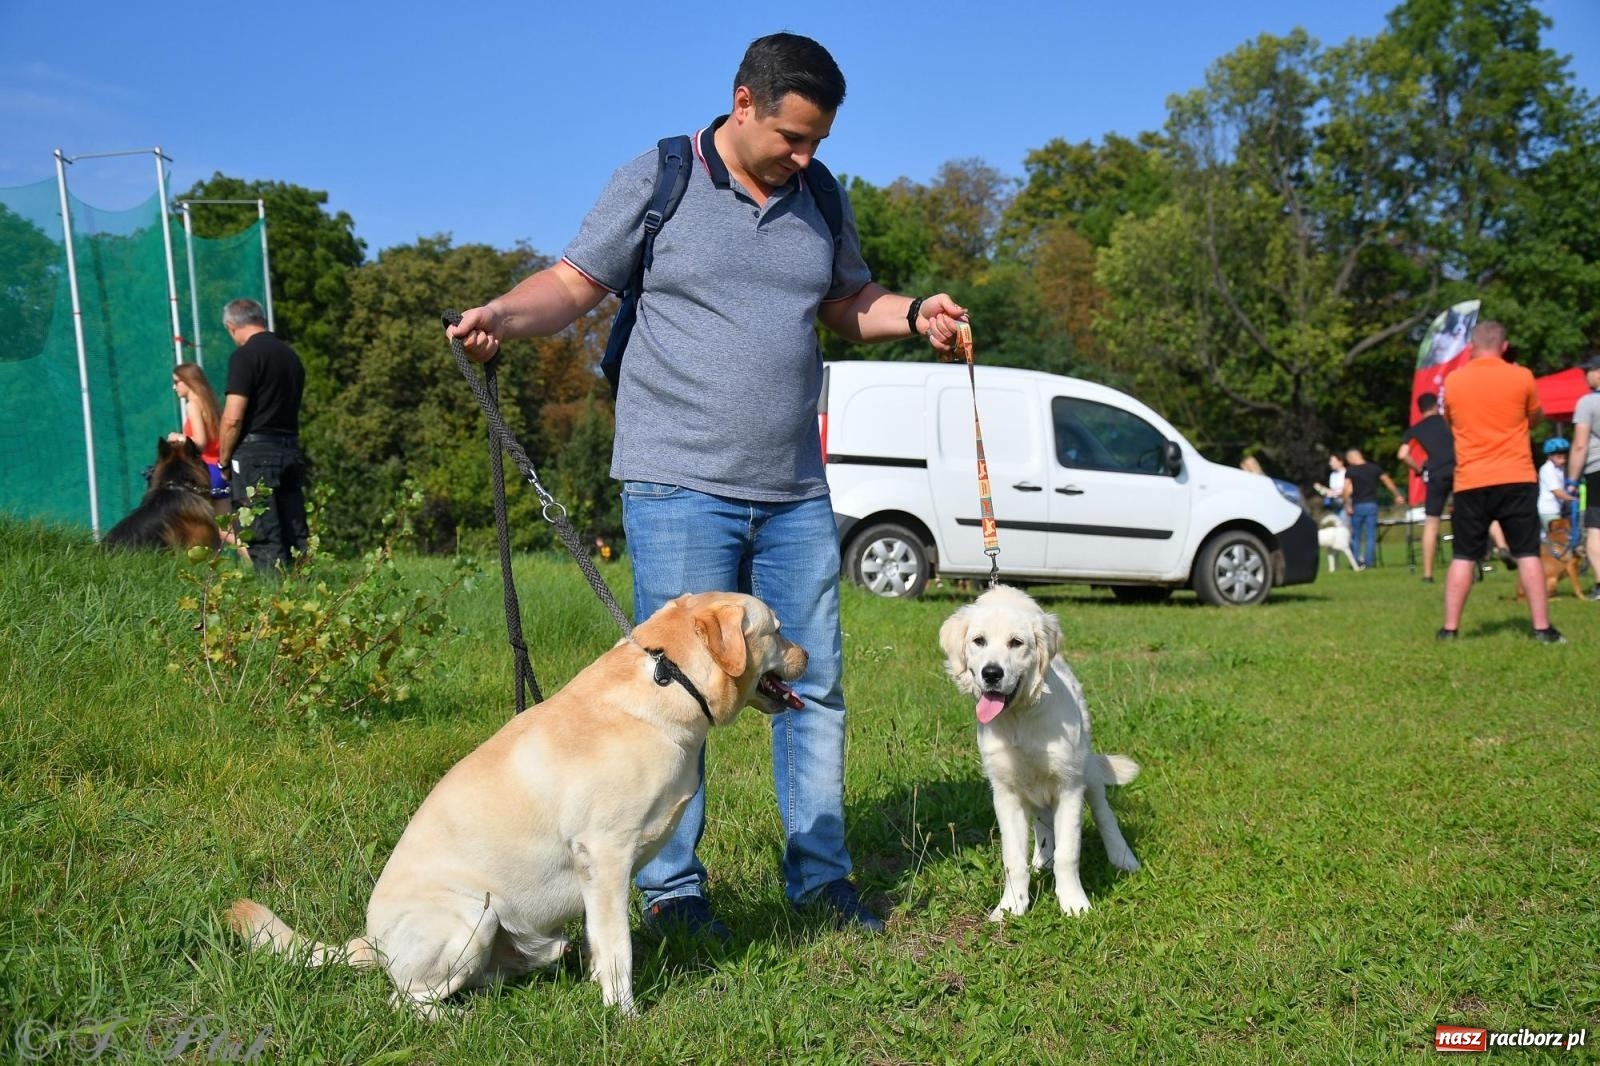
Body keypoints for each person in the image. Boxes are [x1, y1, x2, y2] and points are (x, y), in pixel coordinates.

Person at [448, 33, 968, 939]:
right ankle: (675, 893)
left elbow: (848, 301)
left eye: (819, 143)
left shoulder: (820, 195)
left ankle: (820, 879)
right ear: (742, 104)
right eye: (793, 138)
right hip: (679, 483)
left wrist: (914, 313)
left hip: (795, 488)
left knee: (812, 683)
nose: (805, 158)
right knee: (676, 698)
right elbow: (573, 288)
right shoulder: (659, 178)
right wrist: (499, 315)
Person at [1438, 321, 1564, 642]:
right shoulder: (1521, 376)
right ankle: (1541, 628)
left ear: (1471, 346)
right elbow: (1535, 417)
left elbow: (1450, 420)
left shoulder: (1454, 381)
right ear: (1504, 346)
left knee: (1464, 555)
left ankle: (1450, 629)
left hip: (1471, 479)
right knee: (1527, 553)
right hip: (1516, 475)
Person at [216, 298, 309, 574]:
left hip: (256, 456)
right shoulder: (291, 357)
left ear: (232, 327)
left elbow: (233, 418)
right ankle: (306, 598)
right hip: (290, 452)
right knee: (296, 534)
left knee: (263, 535)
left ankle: (274, 603)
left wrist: (223, 461)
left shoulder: (245, 356)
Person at [169, 363, 250, 561]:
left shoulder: (193, 405)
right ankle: (242, 562)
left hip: (206, 473)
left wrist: (178, 438)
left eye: (176, 382)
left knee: (214, 528)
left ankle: (248, 557)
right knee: (226, 526)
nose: (174, 387)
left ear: (189, 382)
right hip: (219, 471)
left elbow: (200, 442)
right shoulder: (210, 403)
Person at [1397, 393, 1455, 582]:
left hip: (1436, 474)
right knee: (1468, 516)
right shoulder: (1449, 422)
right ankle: (1470, 565)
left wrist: (1419, 469)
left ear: (1420, 409)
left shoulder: (1415, 429)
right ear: (1436, 405)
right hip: (1460, 470)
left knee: (1431, 523)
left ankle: (1428, 574)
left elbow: (1402, 454)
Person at [1564, 352, 1600, 600]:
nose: (1584, 376)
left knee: (1595, 528)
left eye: (1587, 371)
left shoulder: (1588, 403)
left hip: (1597, 470)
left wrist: (1572, 481)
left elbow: (1580, 445)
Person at [1342, 448, 1405, 569]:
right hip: (1372, 504)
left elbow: (1345, 490)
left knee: (1356, 536)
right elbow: (1387, 481)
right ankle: (1369, 563)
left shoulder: (1351, 471)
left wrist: (1347, 505)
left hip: (1357, 505)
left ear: (1351, 458)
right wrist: (1397, 495)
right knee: (1371, 535)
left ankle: (1356, 563)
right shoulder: (1374, 468)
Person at [1536, 437, 1577, 532]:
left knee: (1557, 536)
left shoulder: (1559, 468)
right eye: (1559, 457)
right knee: (1557, 536)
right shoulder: (1547, 469)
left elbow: (1563, 486)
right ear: (1550, 456)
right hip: (1548, 510)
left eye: (1564, 457)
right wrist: (1573, 499)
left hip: (1556, 508)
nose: (1563, 460)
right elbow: (1557, 492)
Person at [1312, 453, 1348, 526]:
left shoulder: (1347, 473)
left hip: (1345, 505)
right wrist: (1321, 489)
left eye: (1332, 461)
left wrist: (1334, 493)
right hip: (1334, 504)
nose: (1330, 463)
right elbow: (1332, 491)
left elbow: (1347, 490)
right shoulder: (1332, 475)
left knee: (1344, 527)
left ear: (1340, 462)